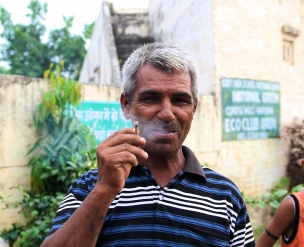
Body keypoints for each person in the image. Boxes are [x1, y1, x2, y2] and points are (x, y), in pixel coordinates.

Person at [41, 42, 255, 246]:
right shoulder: (89, 186)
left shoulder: (225, 195)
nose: (167, 113)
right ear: (126, 105)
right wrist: (104, 190)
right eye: (151, 98)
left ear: (194, 108)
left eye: (180, 100)